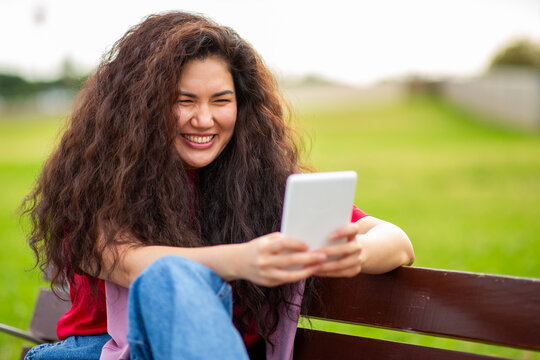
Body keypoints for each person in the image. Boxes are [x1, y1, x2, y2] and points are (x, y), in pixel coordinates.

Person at [23, 11, 414, 360]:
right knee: (168, 277)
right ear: (140, 107)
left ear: (241, 106)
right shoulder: (97, 183)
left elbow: (396, 242)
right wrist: (244, 260)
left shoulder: (264, 183)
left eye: (221, 100)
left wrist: (351, 253)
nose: (204, 119)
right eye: (184, 100)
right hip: (102, 351)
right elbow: (128, 264)